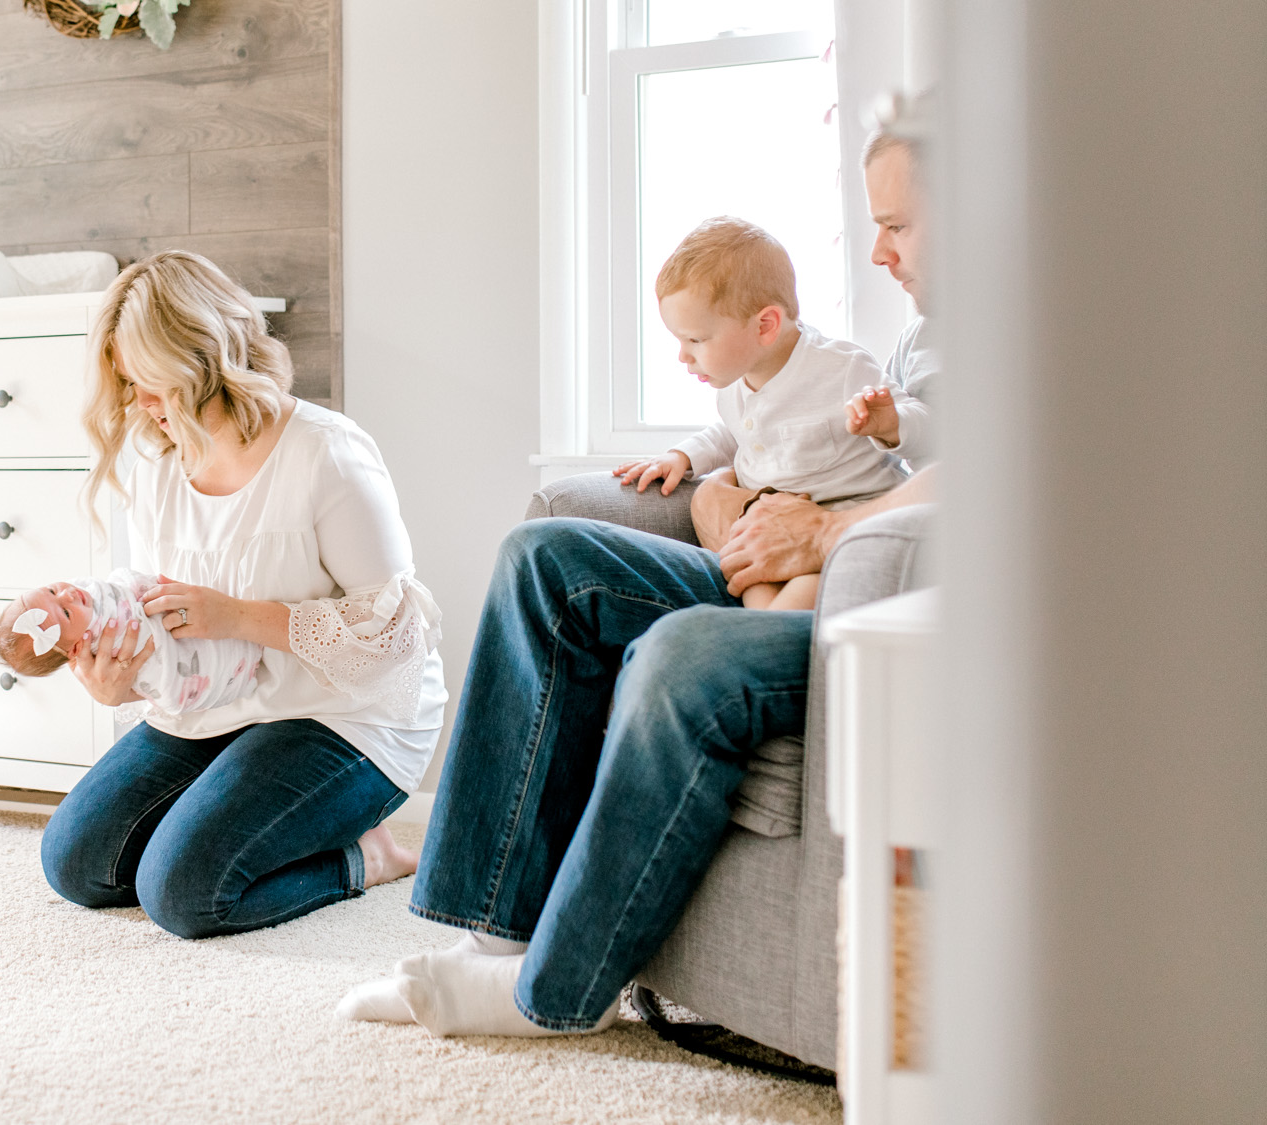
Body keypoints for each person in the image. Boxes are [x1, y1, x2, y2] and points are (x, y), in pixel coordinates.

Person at [341, 113, 938, 1037]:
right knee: (546, 558)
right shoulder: (916, 344)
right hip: (784, 555)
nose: (877, 252)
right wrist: (713, 492)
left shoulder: (1022, 339)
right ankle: (489, 938)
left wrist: (828, 532)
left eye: (896, 225)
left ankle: (554, 991)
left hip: (872, 610)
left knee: (686, 646)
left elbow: (980, 466)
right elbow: (758, 433)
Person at [39, 250, 446, 939]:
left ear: (201, 359)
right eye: (128, 386)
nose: (140, 406)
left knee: (181, 890)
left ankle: (362, 858)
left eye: (152, 384)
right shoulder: (159, 465)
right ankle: (245, 816)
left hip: (348, 717)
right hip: (221, 704)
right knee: (76, 862)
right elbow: (169, 627)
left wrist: (236, 617)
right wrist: (124, 681)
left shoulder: (326, 454)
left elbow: (396, 639)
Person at [612, 216, 920, 610]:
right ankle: (759, 626)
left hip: (836, 527)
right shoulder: (736, 383)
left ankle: (764, 637)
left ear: (765, 325)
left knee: (798, 598)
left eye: (695, 340)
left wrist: (890, 422)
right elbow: (730, 433)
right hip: (768, 531)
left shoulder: (842, 369)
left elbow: (922, 422)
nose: (683, 356)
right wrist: (682, 456)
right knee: (741, 565)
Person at [0, 571, 263, 714]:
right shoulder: (101, 639)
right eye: (65, 613)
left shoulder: (85, 600)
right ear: (74, 649)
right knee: (173, 671)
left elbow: (116, 587)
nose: (67, 593)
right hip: (175, 671)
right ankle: (237, 662)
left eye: (51, 590)